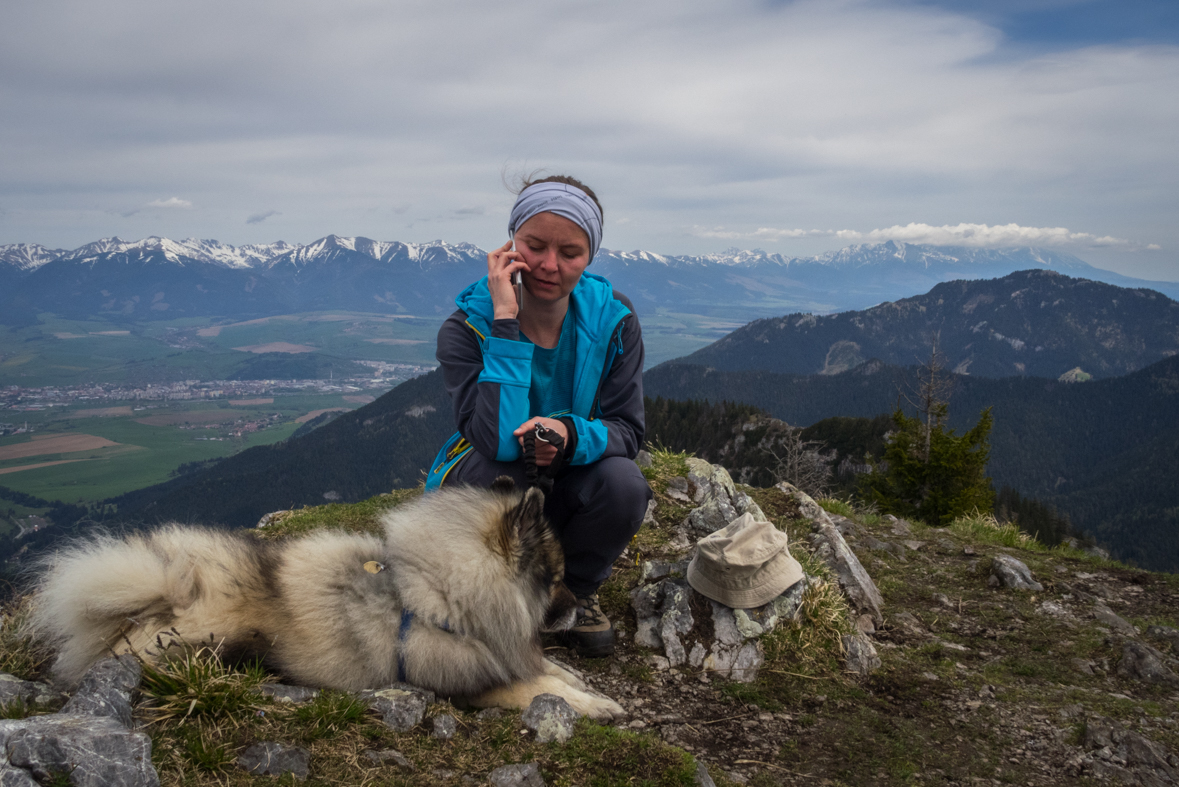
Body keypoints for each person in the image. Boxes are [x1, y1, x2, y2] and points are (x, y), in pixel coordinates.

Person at [425, 174, 652, 657]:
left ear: (590, 256)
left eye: (570, 252)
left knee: (623, 483)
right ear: (511, 244)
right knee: (500, 470)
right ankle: (497, 600)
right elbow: (496, 440)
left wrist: (569, 435)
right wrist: (505, 320)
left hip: (569, 473)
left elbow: (627, 430)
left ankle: (575, 592)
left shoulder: (616, 321)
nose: (550, 265)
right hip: (488, 477)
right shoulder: (467, 327)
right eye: (534, 246)